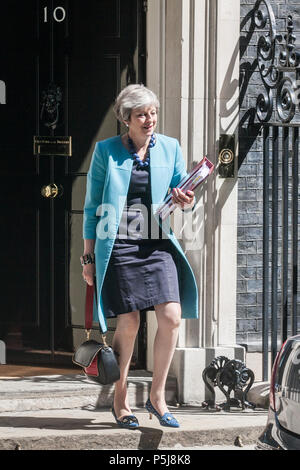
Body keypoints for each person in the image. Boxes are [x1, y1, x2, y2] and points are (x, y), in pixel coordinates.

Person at [82, 84, 198, 429]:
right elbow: (91, 208)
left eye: (153, 113)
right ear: (126, 119)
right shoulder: (107, 151)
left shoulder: (170, 148)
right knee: (129, 321)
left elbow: (182, 188)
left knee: (172, 316)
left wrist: (185, 199)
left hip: (156, 243)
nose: (150, 120)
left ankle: (157, 397)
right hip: (117, 242)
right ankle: (120, 400)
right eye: (141, 114)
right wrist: (88, 258)